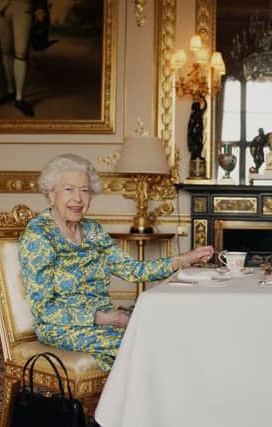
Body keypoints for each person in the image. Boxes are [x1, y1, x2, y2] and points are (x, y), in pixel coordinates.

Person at [18, 153, 214, 371]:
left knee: (163, 332)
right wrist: (104, 318)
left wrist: (185, 259)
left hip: (105, 322)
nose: (78, 199)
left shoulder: (92, 230)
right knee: (144, 345)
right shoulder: (39, 235)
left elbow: (134, 270)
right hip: (61, 327)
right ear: (50, 194)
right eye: (68, 189)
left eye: (84, 190)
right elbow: (43, 309)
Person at [0, 0, 48, 117]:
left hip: (23, 4)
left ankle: (19, 99)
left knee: (21, 53)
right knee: (6, 50)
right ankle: (10, 91)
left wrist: (41, 6)